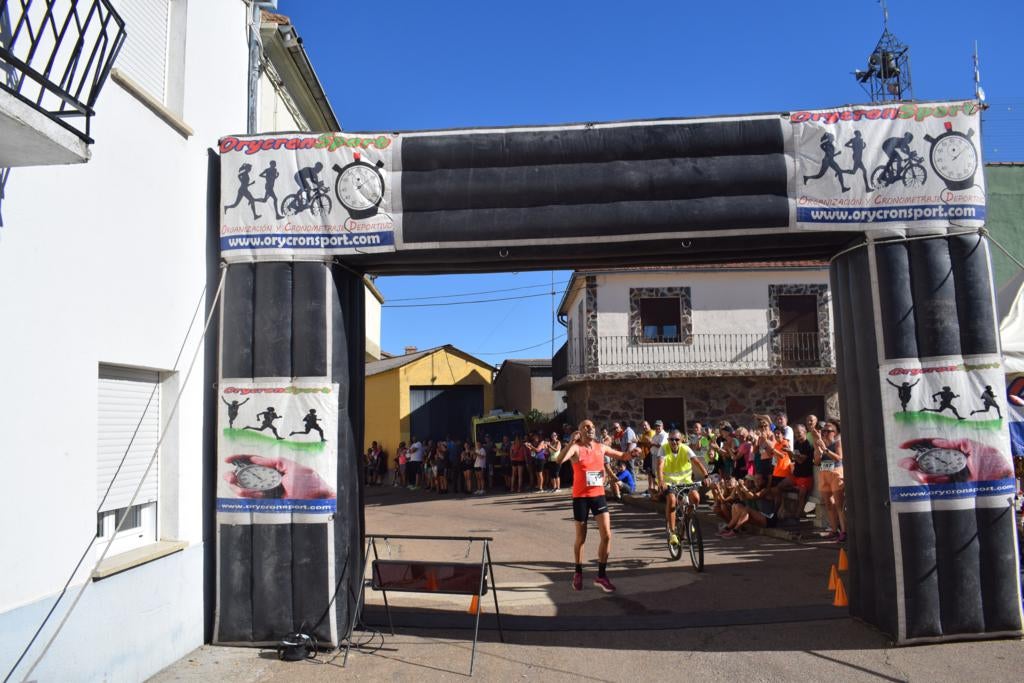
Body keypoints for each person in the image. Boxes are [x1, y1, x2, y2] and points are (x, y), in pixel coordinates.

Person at [552, 419, 634, 593]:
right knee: (581, 538)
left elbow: (622, 456)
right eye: (585, 427)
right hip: (580, 498)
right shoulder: (575, 448)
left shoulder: (601, 447)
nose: (590, 429)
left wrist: (633, 453)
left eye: (592, 427)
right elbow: (559, 459)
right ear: (579, 432)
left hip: (598, 496)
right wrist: (570, 443)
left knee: (607, 536)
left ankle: (601, 576)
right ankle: (578, 572)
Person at [657, 429, 709, 547]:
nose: (674, 442)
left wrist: (706, 476)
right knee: (672, 501)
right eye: (671, 439)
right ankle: (672, 532)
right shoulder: (663, 448)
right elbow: (660, 465)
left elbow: (697, 462)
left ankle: (687, 522)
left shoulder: (685, 448)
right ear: (668, 439)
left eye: (677, 440)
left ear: (681, 440)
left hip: (686, 482)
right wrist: (661, 481)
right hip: (669, 482)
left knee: (695, 498)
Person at [814, 419, 846, 542]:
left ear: (835, 432)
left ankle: (844, 531)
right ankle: (833, 529)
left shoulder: (838, 443)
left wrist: (826, 450)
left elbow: (839, 457)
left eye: (828, 430)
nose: (825, 433)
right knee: (828, 504)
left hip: (835, 473)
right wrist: (819, 450)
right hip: (824, 473)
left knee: (839, 504)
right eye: (823, 431)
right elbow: (816, 462)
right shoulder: (820, 443)